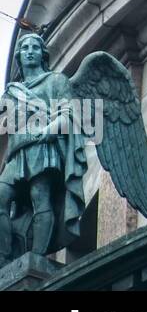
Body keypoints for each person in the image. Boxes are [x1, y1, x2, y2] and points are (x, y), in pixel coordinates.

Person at [0, 33, 88, 261]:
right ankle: (5, 254)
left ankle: (36, 258)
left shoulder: (56, 81)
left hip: (42, 147)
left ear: (42, 54)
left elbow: (69, 114)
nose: (30, 51)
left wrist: (48, 131)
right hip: (16, 153)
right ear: (19, 56)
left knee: (40, 196)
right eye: (25, 47)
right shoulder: (12, 91)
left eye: (35, 47)